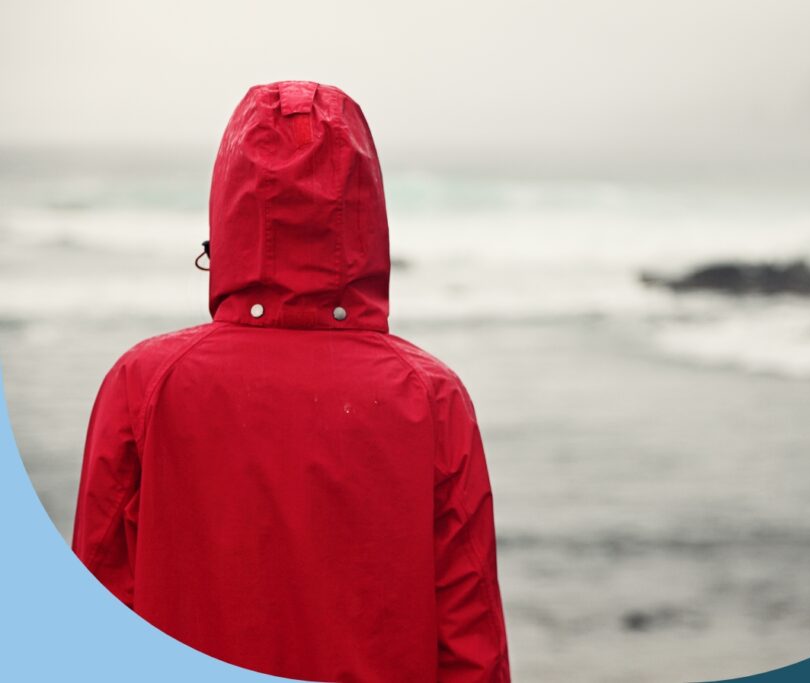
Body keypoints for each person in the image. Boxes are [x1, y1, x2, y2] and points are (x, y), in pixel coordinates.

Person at [71, 81, 510, 682]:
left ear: (226, 223)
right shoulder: (431, 396)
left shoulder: (145, 383)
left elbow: (93, 614)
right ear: (367, 223)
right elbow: (471, 640)